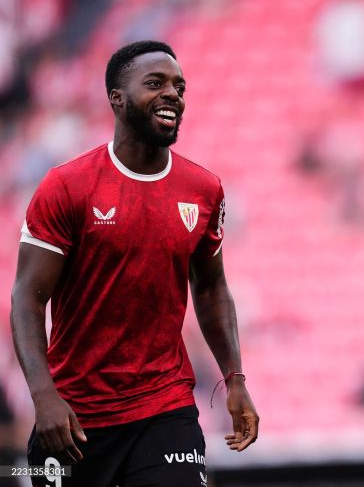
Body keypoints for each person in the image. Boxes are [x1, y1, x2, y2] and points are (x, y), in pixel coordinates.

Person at [10, 40, 258, 486]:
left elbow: (211, 290)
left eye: (179, 87)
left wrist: (234, 377)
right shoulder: (67, 187)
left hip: (164, 407)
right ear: (116, 98)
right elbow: (28, 298)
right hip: (76, 416)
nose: (173, 95)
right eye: (155, 83)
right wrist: (43, 395)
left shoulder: (203, 190)